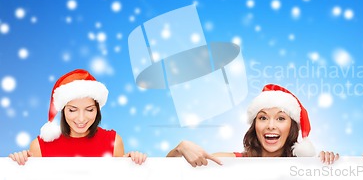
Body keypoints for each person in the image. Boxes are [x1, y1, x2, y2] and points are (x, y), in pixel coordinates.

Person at [167, 84, 340, 167]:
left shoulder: (306, 166)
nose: (270, 126)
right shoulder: (227, 162)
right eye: (263, 118)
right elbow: (163, 174)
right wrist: (180, 148)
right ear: (254, 125)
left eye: (280, 118)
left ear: (292, 128)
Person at [8, 69, 147, 165]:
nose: (81, 119)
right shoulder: (40, 146)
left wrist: (133, 163)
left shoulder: (113, 142)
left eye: (89, 109)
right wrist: (18, 164)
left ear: (98, 110)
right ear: (63, 110)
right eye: (73, 110)